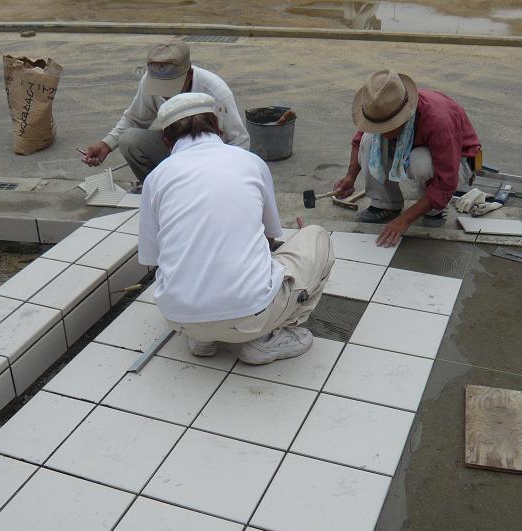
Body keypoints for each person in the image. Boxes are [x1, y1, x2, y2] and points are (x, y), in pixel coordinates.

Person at [138, 92, 334, 365]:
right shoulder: (250, 162)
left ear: (167, 141)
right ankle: (265, 339)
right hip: (251, 317)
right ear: (219, 129)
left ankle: (202, 337)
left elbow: (154, 257)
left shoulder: (155, 178)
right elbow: (270, 237)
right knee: (316, 236)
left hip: (179, 318)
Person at [333, 70, 481, 247]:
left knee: (421, 161)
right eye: (378, 125)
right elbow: (359, 142)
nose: (382, 131)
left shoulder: (438, 120)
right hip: (419, 148)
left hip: (463, 160)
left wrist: (405, 219)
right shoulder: (382, 108)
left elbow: (446, 182)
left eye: (387, 126)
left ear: (404, 116)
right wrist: (349, 178)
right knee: (369, 140)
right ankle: (385, 204)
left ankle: (436, 209)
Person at [82, 41, 250, 184]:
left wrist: (225, 179)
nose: (165, 94)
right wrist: (106, 145)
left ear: (190, 74)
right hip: (175, 148)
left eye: (172, 86)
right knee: (129, 139)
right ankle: (157, 188)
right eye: (160, 86)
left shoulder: (216, 91)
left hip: (211, 158)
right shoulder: (148, 81)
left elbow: (239, 140)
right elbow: (134, 119)